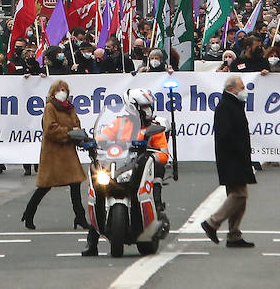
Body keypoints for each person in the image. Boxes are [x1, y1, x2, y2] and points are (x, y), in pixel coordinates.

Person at [82, 90, 171, 256]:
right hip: (119, 164)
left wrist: (150, 155)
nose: (148, 109)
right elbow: (102, 139)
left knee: (156, 169)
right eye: (144, 106)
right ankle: (92, 241)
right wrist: (91, 142)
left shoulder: (154, 126)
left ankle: (156, 208)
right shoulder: (120, 122)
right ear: (133, 107)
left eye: (148, 106)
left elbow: (163, 153)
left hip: (140, 165)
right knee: (98, 189)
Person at [21, 79, 88, 231]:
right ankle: (29, 213)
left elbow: (77, 124)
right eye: (59, 90)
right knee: (45, 186)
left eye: (65, 89)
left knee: (75, 184)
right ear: (53, 92)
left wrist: (77, 133)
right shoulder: (50, 107)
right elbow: (50, 129)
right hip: (54, 153)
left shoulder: (70, 108)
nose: (62, 92)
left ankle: (80, 217)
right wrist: (70, 131)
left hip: (68, 152)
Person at [199, 76, 255, 248]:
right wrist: (239, 152)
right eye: (242, 87)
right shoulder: (226, 107)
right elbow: (225, 135)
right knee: (240, 194)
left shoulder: (235, 105)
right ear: (232, 89)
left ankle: (234, 234)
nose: (245, 90)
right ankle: (212, 223)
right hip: (232, 158)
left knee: (238, 196)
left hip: (237, 157)